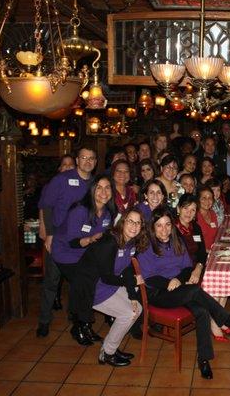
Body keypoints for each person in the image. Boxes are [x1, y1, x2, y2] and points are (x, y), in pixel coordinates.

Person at [136, 207, 230, 379]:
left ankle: (204, 359)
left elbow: (187, 268)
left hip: (180, 289)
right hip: (159, 293)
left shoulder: (177, 241)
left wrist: (179, 280)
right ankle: (226, 318)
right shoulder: (146, 247)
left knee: (202, 311)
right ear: (152, 227)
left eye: (167, 224)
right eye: (159, 226)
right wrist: (169, 282)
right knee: (196, 290)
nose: (164, 229)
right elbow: (148, 278)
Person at [36, 148, 97, 338]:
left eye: (91, 158)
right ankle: (44, 320)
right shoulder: (61, 180)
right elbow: (46, 206)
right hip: (60, 240)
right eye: (84, 158)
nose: (87, 161)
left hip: (83, 242)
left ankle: (75, 319)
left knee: (78, 281)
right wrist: (49, 235)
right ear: (77, 160)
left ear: (95, 162)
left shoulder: (96, 183)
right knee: (51, 282)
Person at [51, 175, 115, 345]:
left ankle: (84, 324)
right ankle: (78, 325)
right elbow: (72, 241)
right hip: (66, 253)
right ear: (92, 190)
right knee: (83, 281)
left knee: (93, 280)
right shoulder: (80, 210)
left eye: (107, 187)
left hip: (86, 254)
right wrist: (91, 239)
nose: (103, 192)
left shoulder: (107, 213)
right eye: (99, 187)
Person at [78, 207, 145, 366]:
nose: (134, 226)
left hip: (107, 285)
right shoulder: (109, 242)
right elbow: (107, 277)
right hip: (93, 289)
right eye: (130, 221)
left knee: (137, 309)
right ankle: (107, 354)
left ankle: (109, 347)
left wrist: (132, 295)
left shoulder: (130, 242)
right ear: (122, 222)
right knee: (128, 314)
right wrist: (133, 283)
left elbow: (127, 269)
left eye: (138, 223)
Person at [38, 154, 76, 312]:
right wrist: (45, 231)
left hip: (74, 238)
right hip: (55, 236)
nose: (67, 167)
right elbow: (43, 208)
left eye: (70, 164)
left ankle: (74, 314)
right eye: (64, 164)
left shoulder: (81, 184)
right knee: (52, 277)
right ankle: (45, 317)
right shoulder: (51, 185)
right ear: (59, 168)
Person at [174, 194, 206, 285]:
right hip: (181, 272)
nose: (189, 213)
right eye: (185, 208)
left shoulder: (196, 228)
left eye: (193, 210)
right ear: (178, 209)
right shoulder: (171, 229)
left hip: (197, 268)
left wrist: (198, 268)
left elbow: (202, 252)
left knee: (218, 283)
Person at [196, 186, 219, 250]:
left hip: (214, 250)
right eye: (204, 198)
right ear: (198, 200)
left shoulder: (212, 213)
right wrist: (208, 252)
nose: (207, 201)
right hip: (202, 254)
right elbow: (195, 243)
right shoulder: (195, 216)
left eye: (210, 198)